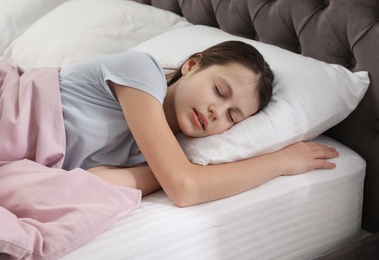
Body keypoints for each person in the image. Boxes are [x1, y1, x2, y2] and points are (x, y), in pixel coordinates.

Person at [59, 41, 339, 207]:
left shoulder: (147, 155)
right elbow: (184, 187)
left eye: (232, 116)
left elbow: (87, 183)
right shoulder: (141, 71)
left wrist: (170, 170)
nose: (217, 112)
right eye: (219, 91)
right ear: (192, 65)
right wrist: (281, 162)